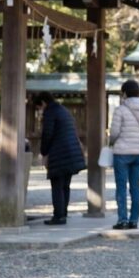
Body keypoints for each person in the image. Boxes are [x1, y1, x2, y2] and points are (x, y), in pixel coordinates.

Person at [34, 92, 86, 225]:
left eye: (39, 107)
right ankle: (63, 213)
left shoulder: (50, 112)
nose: (40, 111)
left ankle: (58, 216)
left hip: (58, 153)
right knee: (65, 185)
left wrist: (44, 152)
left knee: (57, 185)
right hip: (70, 152)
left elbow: (47, 134)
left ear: (44, 103)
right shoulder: (63, 110)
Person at [109, 79, 139, 230]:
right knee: (135, 186)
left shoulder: (120, 110)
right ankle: (134, 220)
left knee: (121, 187)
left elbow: (114, 133)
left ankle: (122, 220)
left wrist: (111, 141)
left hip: (122, 153)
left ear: (124, 93)